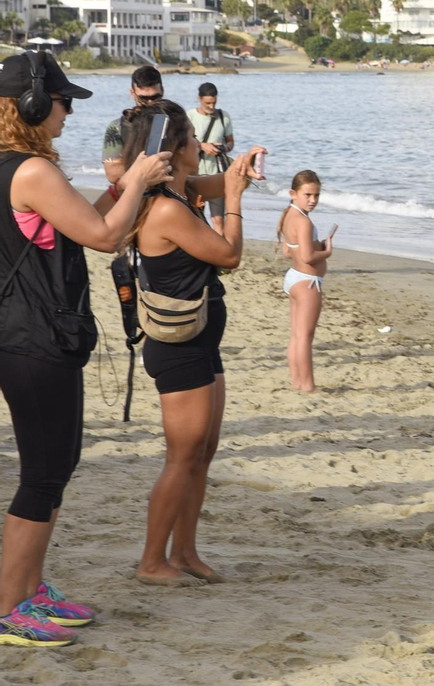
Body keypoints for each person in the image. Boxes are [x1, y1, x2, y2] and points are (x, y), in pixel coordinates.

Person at [0, 52, 174, 647]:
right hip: (33, 337)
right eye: (62, 102)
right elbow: (104, 238)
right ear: (29, 106)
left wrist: (123, 186)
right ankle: (9, 605)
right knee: (43, 473)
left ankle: (30, 588)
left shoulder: (19, 167)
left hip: (30, 333)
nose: (68, 112)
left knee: (58, 465)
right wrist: (140, 182)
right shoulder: (31, 171)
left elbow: (83, 223)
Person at [120, 102, 263, 587]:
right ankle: (151, 561)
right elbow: (229, 255)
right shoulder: (164, 207)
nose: (198, 145)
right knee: (181, 457)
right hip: (178, 346)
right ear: (177, 146)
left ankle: (184, 552)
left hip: (201, 339)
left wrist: (239, 169)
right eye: (190, 138)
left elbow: (217, 183)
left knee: (202, 451)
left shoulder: (179, 189)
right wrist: (235, 203)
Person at [278, 171, 334, 392]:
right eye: (308, 195)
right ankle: (308, 385)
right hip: (307, 282)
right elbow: (308, 257)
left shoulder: (288, 215)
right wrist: (326, 251)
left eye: (316, 195)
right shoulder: (303, 222)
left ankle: (297, 382)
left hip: (294, 278)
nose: (313, 200)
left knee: (296, 335)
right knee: (304, 337)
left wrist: (315, 246)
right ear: (293, 193)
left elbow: (287, 252)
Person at [100, 65, 164, 184]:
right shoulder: (118, 127)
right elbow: (113, 173)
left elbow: (190, 166)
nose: (150, 103)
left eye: (155, 97)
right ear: (132, 93)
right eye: (143, 98)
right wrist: (149, 170)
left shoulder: (178, 121)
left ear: (162, 91)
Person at [185, 83, 234, 233]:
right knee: (195, 215)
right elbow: (182, 143)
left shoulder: (223, 116)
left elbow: (231, 142)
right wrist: (202, 146)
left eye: (214, 102)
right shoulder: (189, 116)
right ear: (199, 99)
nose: (211, 106)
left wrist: (223, 148)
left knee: (218, 219)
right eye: (207, 103)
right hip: (194, 175)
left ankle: (218, 246)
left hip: (217, 174)